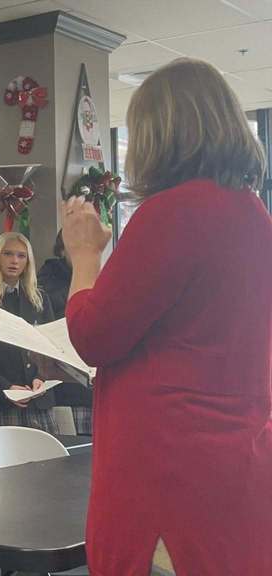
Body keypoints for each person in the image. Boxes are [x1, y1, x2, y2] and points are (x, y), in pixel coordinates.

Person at [63, 58, 272, 575]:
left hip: (166, 465)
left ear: (160, 135)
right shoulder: (254, 215)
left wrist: (85, 256)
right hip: (233, 459)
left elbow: (93, 334)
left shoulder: (173, 213)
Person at [0, 232, 57, 434]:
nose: (14, 261)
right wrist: (6, 387)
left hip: (37, 399)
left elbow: (51, 349)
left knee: (49, 463)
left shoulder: (39, 299)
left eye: (21, 256)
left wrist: (42, 376)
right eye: (8, 254)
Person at [36, 230, 91, 435]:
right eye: (75, 245)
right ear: (61, 249)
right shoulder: (46, 281)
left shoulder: (97, 278)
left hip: (91, 384)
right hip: (62, 385)